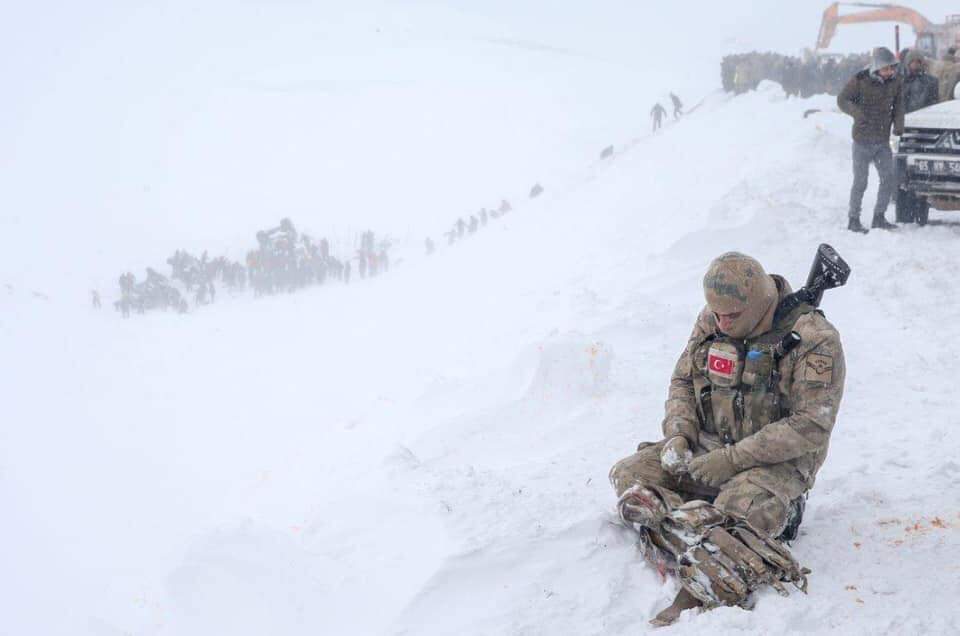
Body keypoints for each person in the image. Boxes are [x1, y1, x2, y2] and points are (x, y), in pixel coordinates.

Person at [609, 252, 845, 626]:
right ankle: (699, 522)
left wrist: (734, 459)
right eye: (716, 313)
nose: (720, 322)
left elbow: (811, 425)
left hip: (772, 464)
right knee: (628, 474)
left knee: (741, 511)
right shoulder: (713, 318)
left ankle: (709, 553)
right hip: (707, 446)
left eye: (731, 316)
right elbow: (683, 381)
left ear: (760, 304)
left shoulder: (815, 340)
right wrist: (679, 436)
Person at [837, 47, 904, 233]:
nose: (890, 72)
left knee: (888, 178)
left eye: (892, 68)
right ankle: (853, 219)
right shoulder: (860, 80)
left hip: (882, 140)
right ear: (876, 67)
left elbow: (899, 104)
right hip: (862, 140)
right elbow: (842, 100)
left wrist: (899, 124)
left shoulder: (896, 81)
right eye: (886, 68)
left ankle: (879, 217)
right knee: (861, 181)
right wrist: (858, 114)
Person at [902, 49, 939, 113]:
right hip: (907, 117)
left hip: (925, 116)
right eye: (912, 61)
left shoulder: (931, 81)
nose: (915, 64)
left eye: (918, 61)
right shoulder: (902, 81)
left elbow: (934, 102)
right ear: (908, 63)